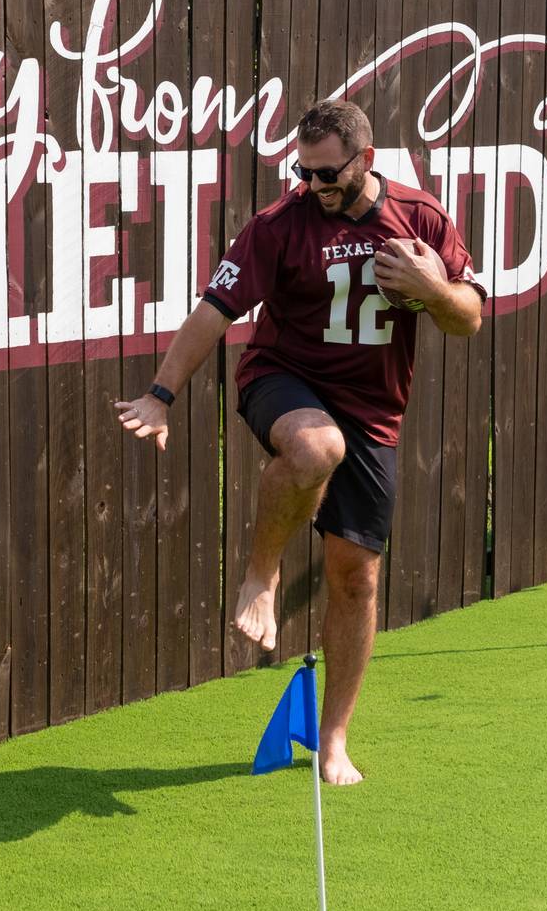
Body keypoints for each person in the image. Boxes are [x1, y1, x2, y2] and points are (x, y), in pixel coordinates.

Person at [113, 99, 486, 785]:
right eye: (301, 171)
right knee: (317, 449)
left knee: (358, 580)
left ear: (365, 161)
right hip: (281, 379)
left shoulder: (420, 217)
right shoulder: (278, 226)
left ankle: (335, 737)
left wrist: (432, 287)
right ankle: (263, 573)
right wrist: (159, 396)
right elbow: (213, 310)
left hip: (374, 412)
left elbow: (468, 318)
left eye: (324, 173)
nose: (310, 185)